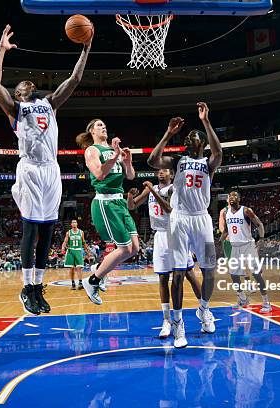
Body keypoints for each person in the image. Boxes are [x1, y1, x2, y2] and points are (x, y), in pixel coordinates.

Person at [0, 24, 92, 315]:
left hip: (51, 171)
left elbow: (75, 79)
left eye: (31, 83)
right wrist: (1, 50)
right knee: (31, 229)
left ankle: (37, 287)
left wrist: (86, 48)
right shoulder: (16, 110)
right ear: (18, 94)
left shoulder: (50, 104)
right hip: (31, 171)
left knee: (47, 231)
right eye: (23, 85)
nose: (29, 84)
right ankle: (25, 287)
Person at [147, 102, 222, 348]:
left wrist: (206, 121)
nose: (187, 138)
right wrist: (168, 133)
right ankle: (179, 327)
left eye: (192, 136)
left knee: (209, 269)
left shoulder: (208, 164)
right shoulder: (178, 161)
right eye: (186, 136)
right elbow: (152, 160)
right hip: (178, 218)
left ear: (201, 142)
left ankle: (203, 309)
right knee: (178, 274)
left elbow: (218, 153)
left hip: (202, 218)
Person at [127, 170, 202, 339]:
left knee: (189, 274)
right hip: (160, 235)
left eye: (165, 170)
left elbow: (169, 210)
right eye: (158, 170)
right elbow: (132, 206)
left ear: (172, 174)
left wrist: (152, 191)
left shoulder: (175, 188)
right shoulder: (151, 188)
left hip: (176, 233)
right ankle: (167, 320)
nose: (160, 172)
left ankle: (205, 311)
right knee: (162, 278)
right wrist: (130, 196)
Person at [77, 120, 138, 304]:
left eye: (104, 125)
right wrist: (115, 155)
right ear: (91, 131)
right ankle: (92, 280)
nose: (103, 127)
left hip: (120, 201)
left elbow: (130, 176)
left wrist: (126, 161)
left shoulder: (114, 151)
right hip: (106, 202)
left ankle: (99, 268)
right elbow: (100, 174)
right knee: (125, 248)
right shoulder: (92, 151)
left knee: (135, 249)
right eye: (99, 125)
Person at [219, 191, 271, 312]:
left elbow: (259, 224)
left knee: (256, 274)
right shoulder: (226, 213)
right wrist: (219, 241)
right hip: (235, 246)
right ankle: (242, 298)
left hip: (248, 245)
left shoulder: (246, 210)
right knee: (233, 274)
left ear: (239, 199)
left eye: (235, 196)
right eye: (230, 196)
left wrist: (262, 239)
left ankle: (266, 302)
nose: (232, 198)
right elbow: (226, 231)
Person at [61, 220, 90, 290]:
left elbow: (83, 242)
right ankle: (73, 283)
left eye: (75, 222)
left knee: (79, 267)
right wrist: (63, 248)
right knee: (71, 268)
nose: (74, 223)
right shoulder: (68, 233)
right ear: (71, 224)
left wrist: (87, 251)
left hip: (78, 251)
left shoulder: (81, 232)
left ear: (77, 224)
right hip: (71, 251)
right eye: (73, 222)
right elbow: (65, 241)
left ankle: (80, 283)